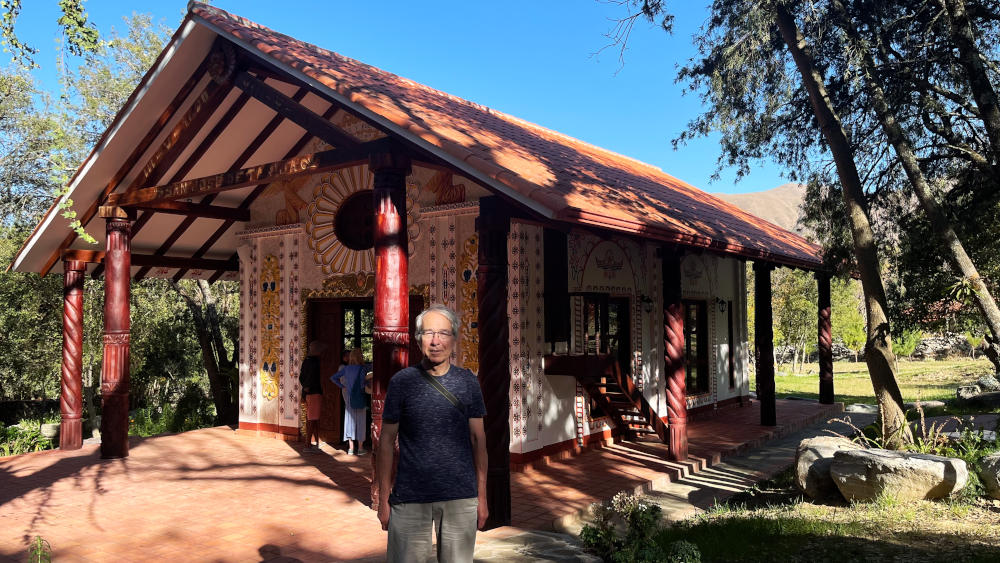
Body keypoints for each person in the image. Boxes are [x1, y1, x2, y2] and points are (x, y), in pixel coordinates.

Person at [377, 304, 488, 563]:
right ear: (418, 340)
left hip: (460, 497)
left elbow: (478, 440)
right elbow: (385, 442)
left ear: (454, 339)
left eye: (443, 333)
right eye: (428, 333)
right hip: (409, 497)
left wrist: (481, 497)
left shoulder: (467, 382)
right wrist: (384, 500)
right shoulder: (402, 382)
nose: (436, 341)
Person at [332, 348, 368, 455]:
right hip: (360, 397)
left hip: (349, 398)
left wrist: (342, 386)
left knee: (349, 422)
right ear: (360, 356)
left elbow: (333, 378)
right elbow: (362, 385)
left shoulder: (346, 369)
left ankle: (351, 448)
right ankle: (360, 449)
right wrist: (368, 385)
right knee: (360, 422)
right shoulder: (362, 368)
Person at [299, 340, 325, 451]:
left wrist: (304, 390)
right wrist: (307, 387)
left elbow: (301, 377)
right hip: (314, 392)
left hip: (309, 393)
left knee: (313, 418)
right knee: (312, 419)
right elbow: (311, 378)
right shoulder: (314, 363)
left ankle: (314, 443)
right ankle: (307, 445)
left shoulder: (307, 360)